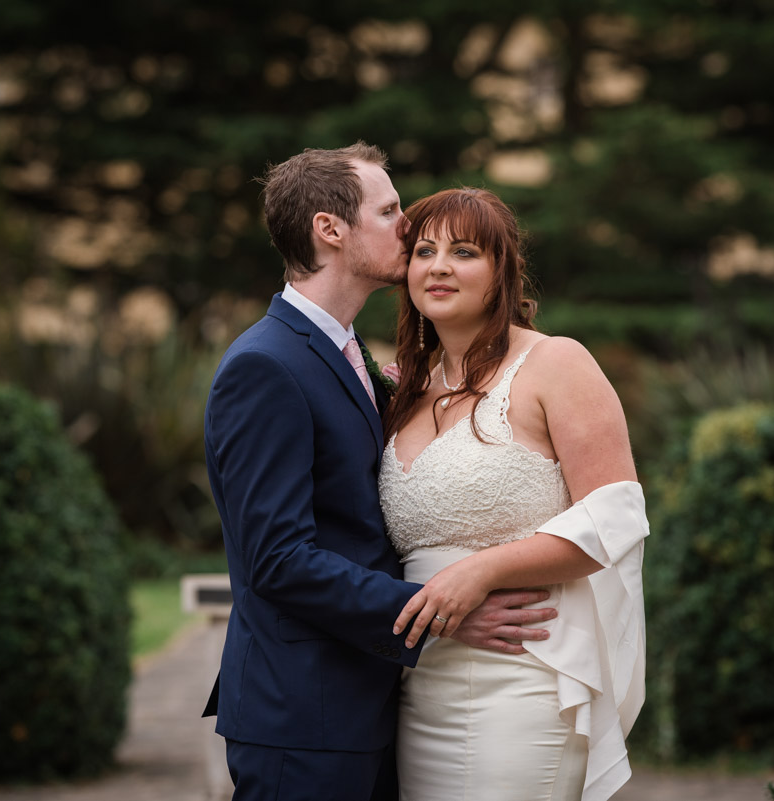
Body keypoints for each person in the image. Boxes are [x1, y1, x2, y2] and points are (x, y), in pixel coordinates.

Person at [202, 144, 557, 801]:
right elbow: (277, 558)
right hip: (303, 714)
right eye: (390, 210)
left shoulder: (350, 354)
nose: (409, 226)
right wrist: (437, 613)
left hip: (364, 703)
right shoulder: (266, 365)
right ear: (330, 229)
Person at [378, 187, 649, 801]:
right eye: (423, 250)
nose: (439, 265)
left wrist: (484, 570)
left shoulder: (556, 363)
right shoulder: (405, 386)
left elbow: (616, 514)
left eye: (464, 251)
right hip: (419, 683)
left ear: (502, 271)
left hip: (524, 671)